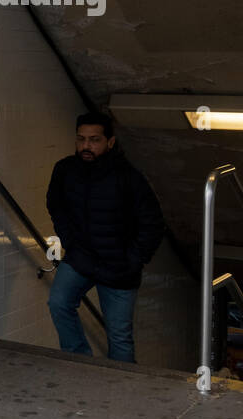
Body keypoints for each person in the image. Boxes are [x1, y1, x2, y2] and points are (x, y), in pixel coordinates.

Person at [45, 112, 165, 363]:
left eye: (94, 140)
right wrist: (70, 241)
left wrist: (134, 258)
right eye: (81, 139)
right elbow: (56, 205)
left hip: (119, 266)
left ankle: (121, 394)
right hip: (81, 258)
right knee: (58, 302)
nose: (86, 146)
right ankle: (80, 363)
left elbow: (153, 222)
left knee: (119, 336)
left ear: (110, 142)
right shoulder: (65, 170)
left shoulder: (129, 177)